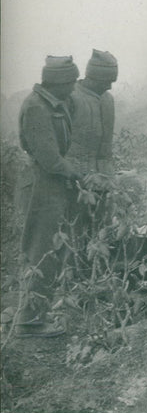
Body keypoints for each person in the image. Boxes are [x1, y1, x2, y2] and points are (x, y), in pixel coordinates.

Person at [16, 56, 83, 337]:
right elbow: (49, 159)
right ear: (57, 83)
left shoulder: (53, 102)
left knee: (51, 249)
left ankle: (35, 314)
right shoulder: (36, 107)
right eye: (70, 83)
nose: (73, 88)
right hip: (41, 184)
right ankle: (29, 323)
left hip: (53, 184)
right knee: (40, 250)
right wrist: (80, 174)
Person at [68, 49, 118, 176]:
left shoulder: (108, 100)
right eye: (106, 82)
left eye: (112, 82)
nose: (109, 87)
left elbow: (106, 149)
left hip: (102, 178)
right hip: (73, 176)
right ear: (93, 77)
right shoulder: (70, 97)